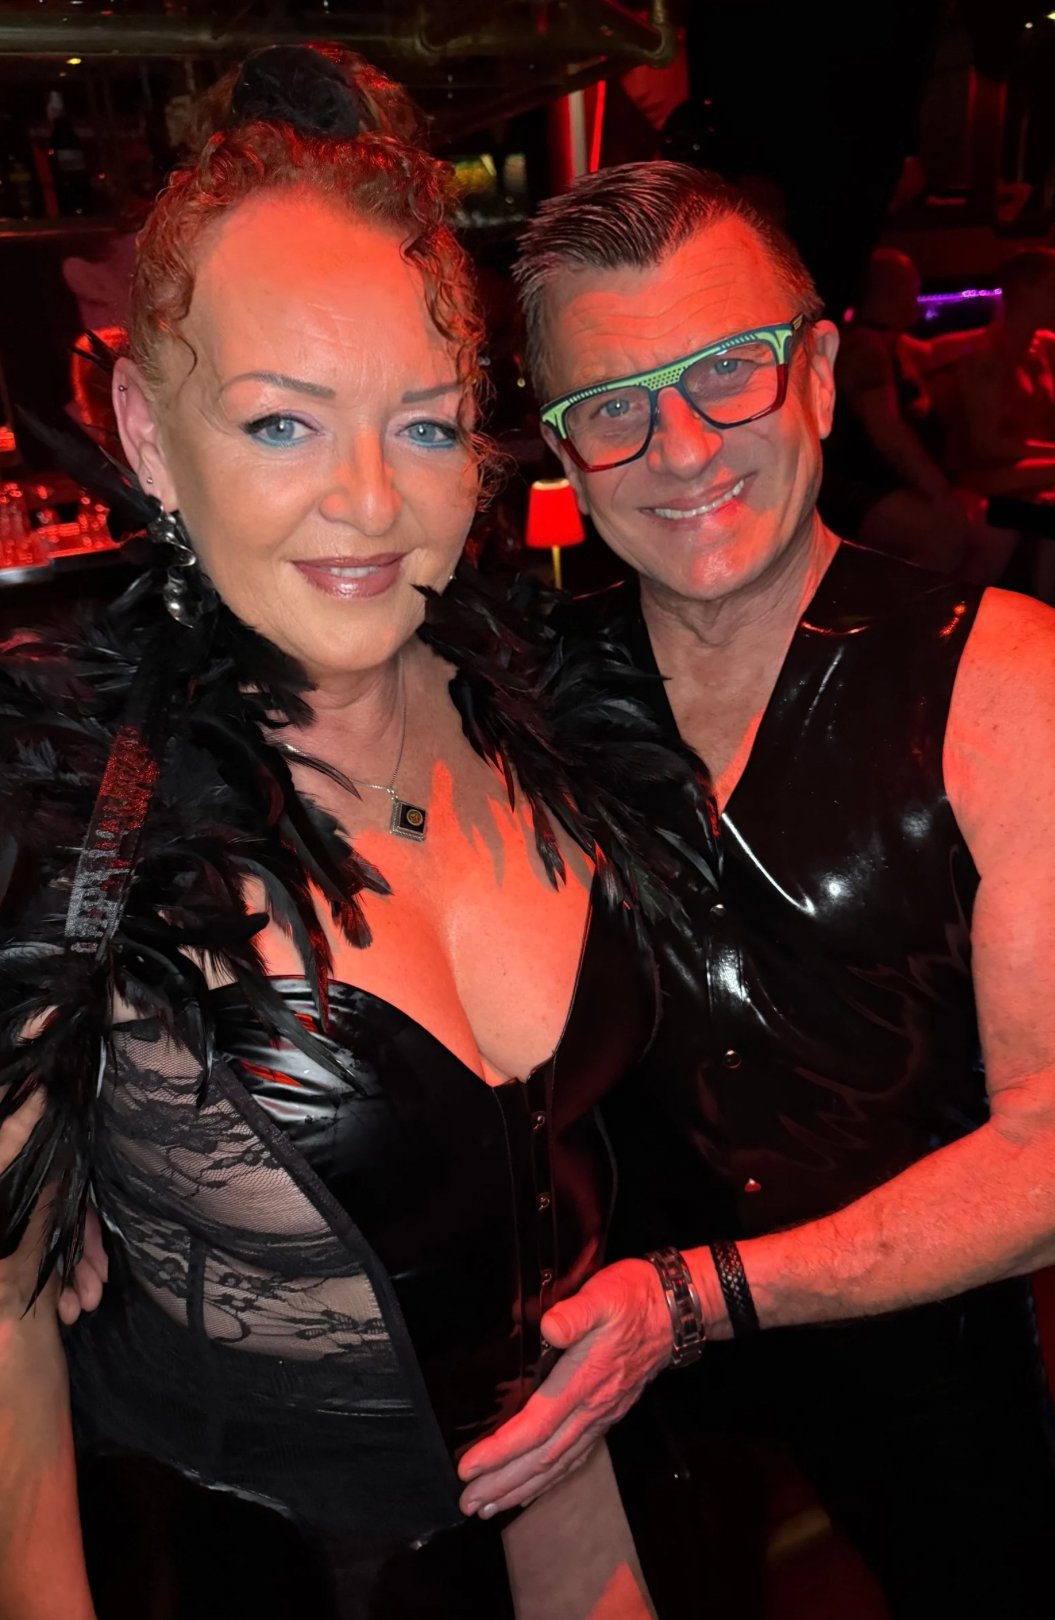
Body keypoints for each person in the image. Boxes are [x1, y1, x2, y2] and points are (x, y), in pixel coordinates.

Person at [0, 54, 707, 1620]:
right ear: (147, 434)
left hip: (612, 1537)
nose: (373, 503)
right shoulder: (58, 820)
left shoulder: (563, 716)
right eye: (281, 423)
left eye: (430, 426)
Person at [456, 162, 1055, 1619]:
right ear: (564, 453)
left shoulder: (1007, 675)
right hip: (621, 1384)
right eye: (613, 405)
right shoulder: (512, 698)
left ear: (817, 375)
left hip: (927, 1353)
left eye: (727, 369)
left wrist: (704, 1297)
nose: (680, 448)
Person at [822, 248, 1015, 584]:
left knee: (998, 529)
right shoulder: (865, 348)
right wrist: (939, 491)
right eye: (912, 286)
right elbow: (888, 432)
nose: (917, 295)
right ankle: (901, 614)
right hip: (861, 488)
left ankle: (957, 610)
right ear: (890, 290)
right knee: (947, 532)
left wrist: (1006, 331)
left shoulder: (891, 343)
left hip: (893, 482)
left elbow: (936, 350)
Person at [951, 246, 1055, 604]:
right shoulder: (986, 355)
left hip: (1038, 474)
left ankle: (1052, 609)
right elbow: (985, 446)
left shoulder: (1050, 347)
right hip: (985, 479)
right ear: (1025, 289)